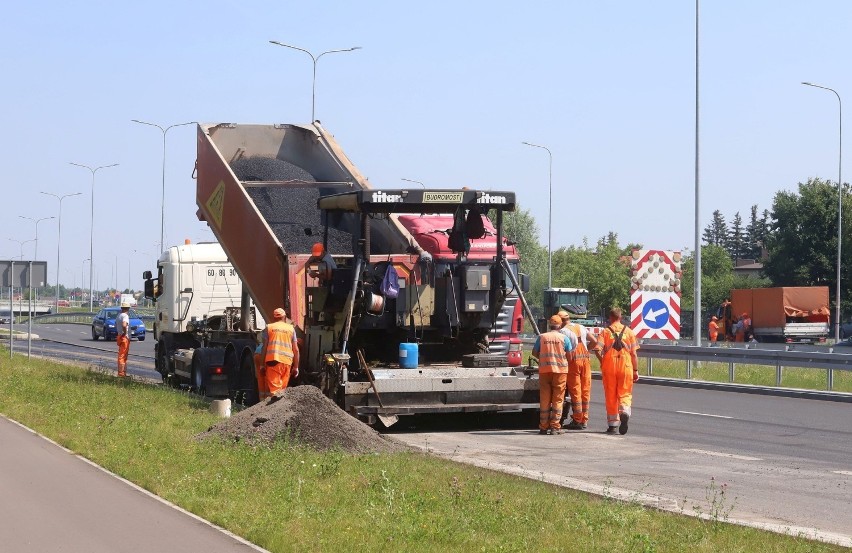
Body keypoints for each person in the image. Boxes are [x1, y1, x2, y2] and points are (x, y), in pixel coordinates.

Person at [594, 307, 639, 435]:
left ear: (610, 318)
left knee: (611, 395)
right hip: (626, 366)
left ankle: (613, 425)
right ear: (620, 317)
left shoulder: (605, 332)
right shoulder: (629, 332)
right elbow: (634, 354)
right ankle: (624, 411)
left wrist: (603, 361)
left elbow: (597, 349)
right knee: (625, 392)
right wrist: (635, 370)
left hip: (609, 366)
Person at [532, 315, 575, 435]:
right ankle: (555, 427)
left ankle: (543, 427)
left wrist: (543, 359)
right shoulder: (564, 338)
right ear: (560, 325)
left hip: (545, 371)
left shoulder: (542, 337)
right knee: (558, 398)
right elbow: (570, 356)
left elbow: (535, 352)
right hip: (560, 372)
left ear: (549, 325)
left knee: (545, 398)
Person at [559, 310, 597, 430]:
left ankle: (577, 420)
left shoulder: (563, 331)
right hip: (585, 361)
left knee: (575, 391)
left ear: (561, 321)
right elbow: (594, 341)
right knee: (585, 390)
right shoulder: (581, 326)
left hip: (573, 362)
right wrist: (587, 351)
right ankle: (584, 419)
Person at [261, 308, 300, 395]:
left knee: (275, 392)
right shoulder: (291, 329)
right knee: (282, 390)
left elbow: (264, 347)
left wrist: (261, 365)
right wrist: (296, 367)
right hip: (287, 363)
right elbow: (296, 350)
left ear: (274, 318)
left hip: (273, 362)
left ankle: (275, 407)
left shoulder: (269, 328)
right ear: (284, 317)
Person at [254, 329, 270, 402]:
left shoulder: (268, 330)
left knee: (260, 378)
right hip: (264, 355)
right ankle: (266, 402)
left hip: (257, 353)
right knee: (267, 378)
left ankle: (261, 402)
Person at [116, 303, 131, 378]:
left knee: (121, 355)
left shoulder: (119, 315)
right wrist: (125, 333)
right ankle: (121, 374)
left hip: (119, 336)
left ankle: (122, 373)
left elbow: (117, 325)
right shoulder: (125, 316)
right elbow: (124, 325)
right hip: (124, 337)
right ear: (128, 309)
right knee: (123, 355)